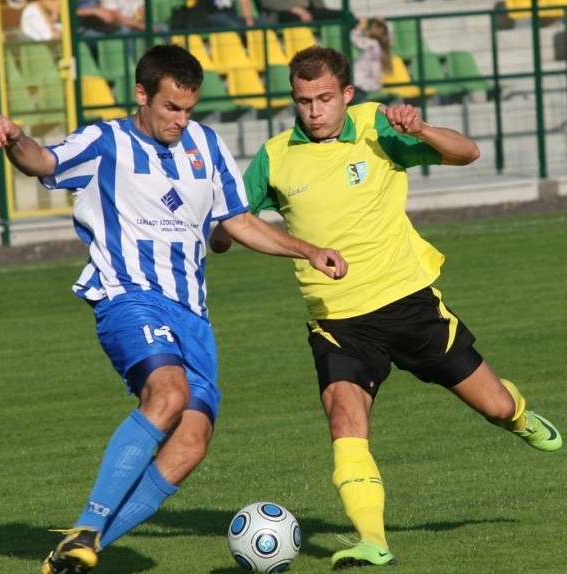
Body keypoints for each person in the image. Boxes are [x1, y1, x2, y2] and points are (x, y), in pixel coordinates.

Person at [0, 43, 347, 574]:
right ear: (142, 94)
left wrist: (308, 250)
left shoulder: (206, 144)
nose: (180, 120)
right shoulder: (106, 142)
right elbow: (42, 161)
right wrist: (15, 139)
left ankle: (78, 552)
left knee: (193, 441)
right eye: (170, 108)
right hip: (128, 296)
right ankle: (88, 524)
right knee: (169, 393)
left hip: (192, 314)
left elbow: (237, 221)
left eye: (188, 109)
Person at [210, 45, 562, 569]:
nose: (314, 110)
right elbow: (233, 223)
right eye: (303, 100)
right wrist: (217, 230)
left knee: (495, 406)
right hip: (337, 322)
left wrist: (420, 130)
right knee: (344, 418)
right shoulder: (276, 156)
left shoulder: (379, 127)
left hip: (409, 306)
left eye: (325, 98)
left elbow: (467, 152)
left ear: (347, 95)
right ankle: (373, 542)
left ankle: (518, 416)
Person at [350, 16, 392, 105]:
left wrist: (360, 27)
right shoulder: (381, 45)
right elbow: (389, 37)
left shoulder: (372, 44)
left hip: (361, 84)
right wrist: (383, 25)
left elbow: (354, 38)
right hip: (371, 85)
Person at [170, 0, 268, 29]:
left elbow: (244, 1)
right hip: (212, 16)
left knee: (267, 25)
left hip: (231, 16)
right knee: (235, 26)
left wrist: (248, 19)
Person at [257, 0, 355, 26]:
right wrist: (292, 8)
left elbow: (318, 5)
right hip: (282, 14)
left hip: (310, 11)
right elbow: (267, 2)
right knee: (295, 20)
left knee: (346, 15)